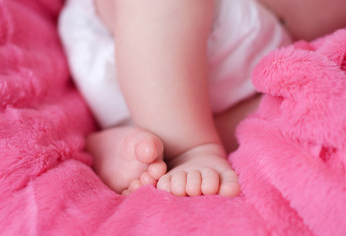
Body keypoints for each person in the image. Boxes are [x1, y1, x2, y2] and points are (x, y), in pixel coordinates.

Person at [58, 0, 346, 196]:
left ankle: (139, 141)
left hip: (263, 63)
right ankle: (189, 149)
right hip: (154, 28)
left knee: (295, 105)